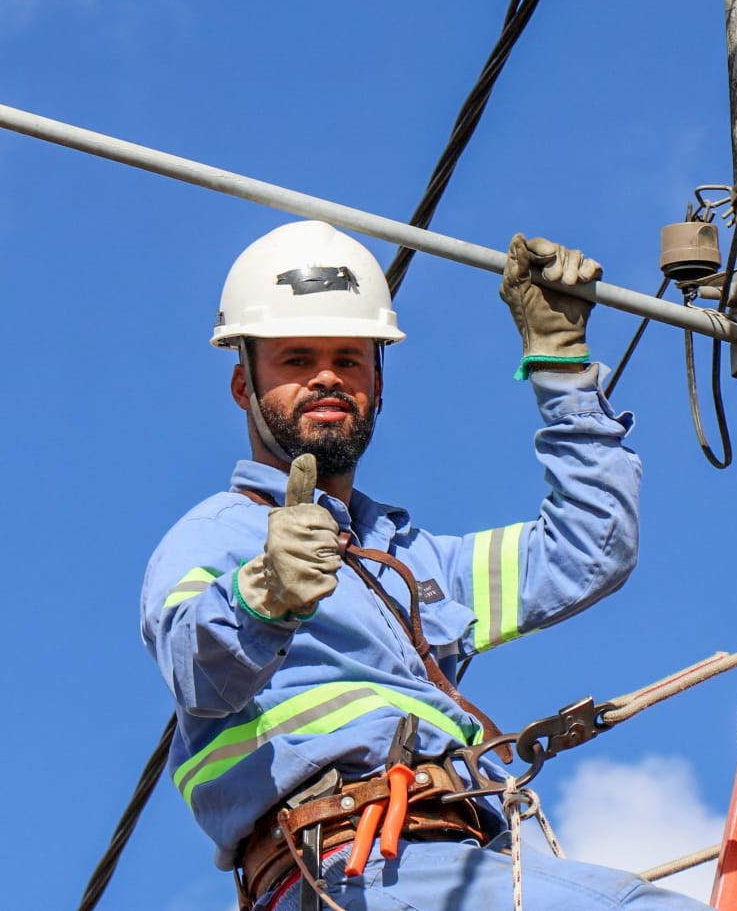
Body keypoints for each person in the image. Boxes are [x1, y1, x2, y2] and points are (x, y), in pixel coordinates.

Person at [141, 220, 708, 909]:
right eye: (295, 360)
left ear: (379, 382)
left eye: (349, 359)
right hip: (346, 865)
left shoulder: (411, 560)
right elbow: (194, 669)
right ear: (243, 386)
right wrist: (263, 593)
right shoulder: (218, 533)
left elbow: (589, 548)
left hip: (454, 857)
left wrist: (559, 364)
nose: (327, 377)